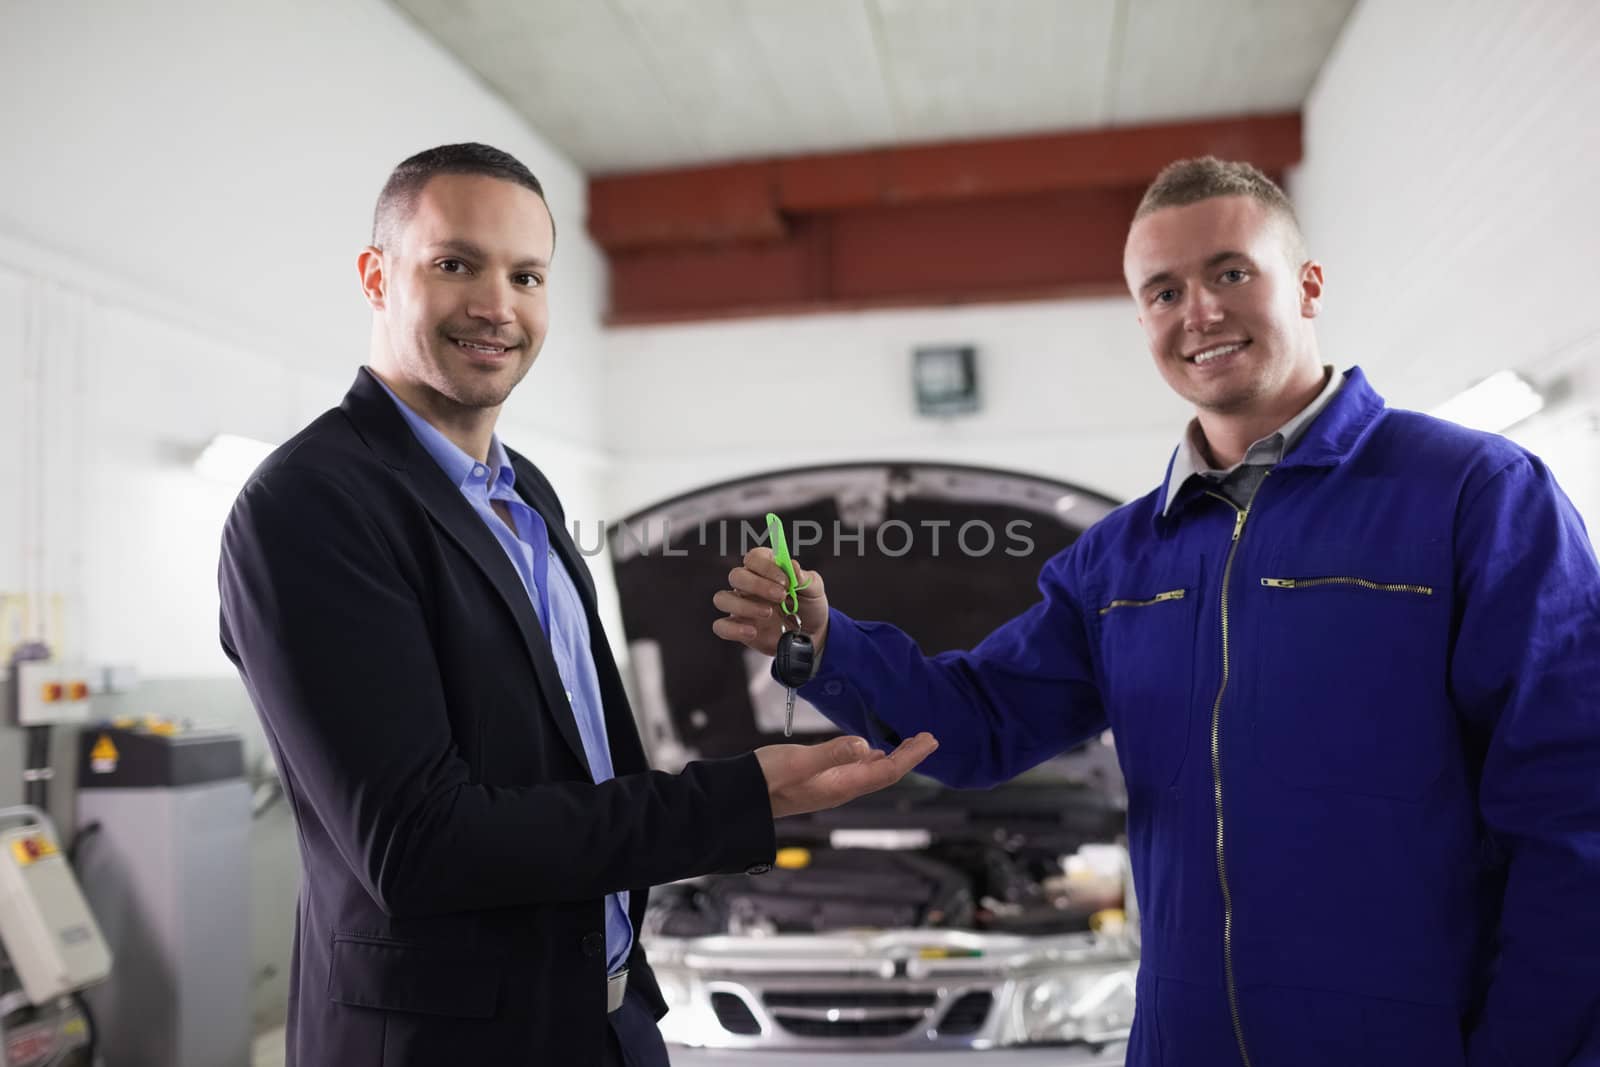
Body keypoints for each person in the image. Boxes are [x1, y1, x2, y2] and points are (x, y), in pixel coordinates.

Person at [714, 157, 1600, 1066]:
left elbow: (1573, 811)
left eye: (1230, 272)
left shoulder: (1473, 495)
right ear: (1142, 319)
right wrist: (828, 642)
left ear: (1307, 285)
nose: (1200, 313)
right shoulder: (1120, 558)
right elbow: (978, 723)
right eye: (1164, 290)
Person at [218, 142, 937, 1067]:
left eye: (527, 275)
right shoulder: (312, 503)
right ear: (375, 275)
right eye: (455, 264)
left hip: (605, 1022)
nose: (497, 305)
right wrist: (740, 794)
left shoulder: (530, 500)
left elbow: (573, 774)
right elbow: (419, 847)